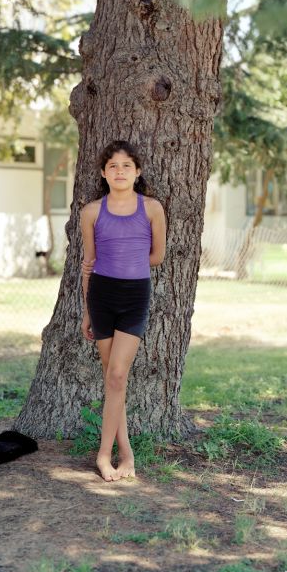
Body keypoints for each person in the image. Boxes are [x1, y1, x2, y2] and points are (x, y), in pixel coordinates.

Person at [81, 140, 167, 482]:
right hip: (101, 295)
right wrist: (87, 312)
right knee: (112, 380)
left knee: (117, 376)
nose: (119, 171)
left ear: (137, 172)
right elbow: (89, 264)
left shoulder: (151, 209)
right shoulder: (90, 212)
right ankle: (124, 451)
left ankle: (106, 454)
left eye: (126, 166)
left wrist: (128, 263)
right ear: (104, 173)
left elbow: (157, 255)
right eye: (113, 166)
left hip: (134, 296)